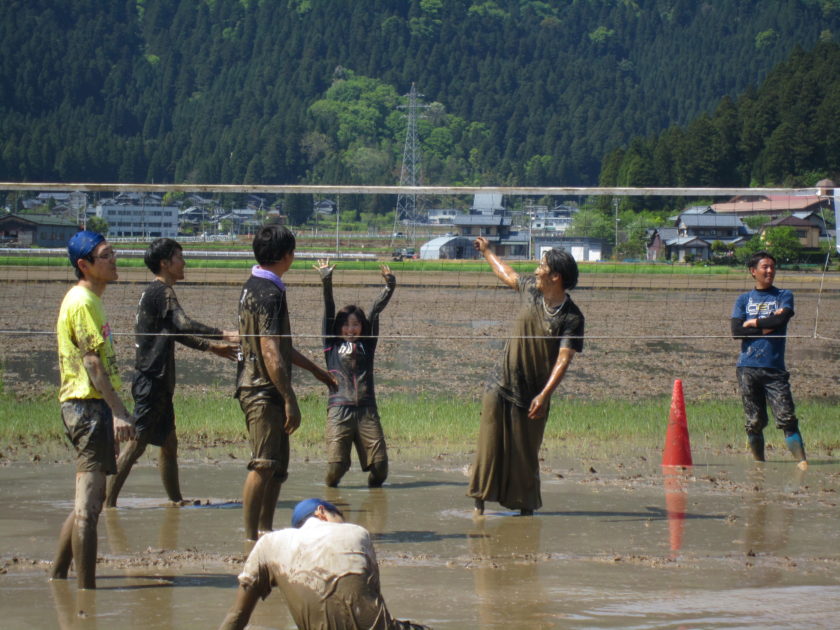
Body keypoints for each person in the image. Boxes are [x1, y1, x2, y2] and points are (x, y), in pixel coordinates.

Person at [105, 238, 239, 508]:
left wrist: (212, 347)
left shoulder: (157, 293)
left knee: (168, 442)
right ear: (165, 263)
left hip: (159, 380)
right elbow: (184, 323)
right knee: (137, 442)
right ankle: (106, 504)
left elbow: (175, 333)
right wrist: (223, 333)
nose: (184, 262)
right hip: (151, 380)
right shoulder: (161, 292)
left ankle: (176, 501)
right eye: (179, 257)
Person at [468, 237, 584, 516]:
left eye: (541, 266)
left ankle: (525, 512)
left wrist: (544, 395)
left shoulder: (572, 317)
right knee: (488, 448)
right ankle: (478, 509)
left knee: (525, 455)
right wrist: (487, 252)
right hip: (500, 382)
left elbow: (564, 359)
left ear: (556, 276)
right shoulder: (531, 290)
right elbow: (506, 274)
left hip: (533, 394)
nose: (536, 270)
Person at [236, 226, 336, 541]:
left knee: (277, 468)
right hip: (262, 389)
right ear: (286, 256)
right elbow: (269, 349)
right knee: (264, 464)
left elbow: (282, 347)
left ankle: (265, 530)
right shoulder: (269, 293)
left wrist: (317, 371)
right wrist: (289, 398)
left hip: (266, 386)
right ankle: (251, 538)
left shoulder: (255, 285)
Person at [50, 230, 136, 589]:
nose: (114, 260)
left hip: (90, 405)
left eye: (113, 253)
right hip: (87, 406)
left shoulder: (90, 300)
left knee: (93, 498)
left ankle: (57, 574)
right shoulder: (82, 301)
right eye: (106, 256)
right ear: (84, 265)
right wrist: (118, 411)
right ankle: (87, 596)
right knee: (88, 507)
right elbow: (92, 364)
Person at [219, 498, 429, 630]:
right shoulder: (357, 532)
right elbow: (373, 599)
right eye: (341, 517)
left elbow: (237, 616)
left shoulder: (269, 544)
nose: (343, 523)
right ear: (322, 512)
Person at [314, 260, 395, 488]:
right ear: (339, 327)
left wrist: (390, 287)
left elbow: (375, 311)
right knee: (336, 468)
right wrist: (326, 280)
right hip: (339, 410)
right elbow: (329, 311)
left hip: (367, 410)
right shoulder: (331, 345)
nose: (351, 329)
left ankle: (374, 496)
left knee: (380, 469)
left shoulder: (367, 345)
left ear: (362, 327)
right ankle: (331, 492)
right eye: (346, 325)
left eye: (356, 325)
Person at [731, 251, 808, 470]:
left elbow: (782, 318)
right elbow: (736, 331)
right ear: (753, 271)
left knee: (786, 418)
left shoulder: (784, 295)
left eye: (772, 267)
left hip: (774, 368)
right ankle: (759, 467)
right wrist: (767, 327)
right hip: (747, 367)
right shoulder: (743, 299)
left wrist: (753, 322)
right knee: (754, 422)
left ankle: (802, 463)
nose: (770, 271)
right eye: (765, 267)